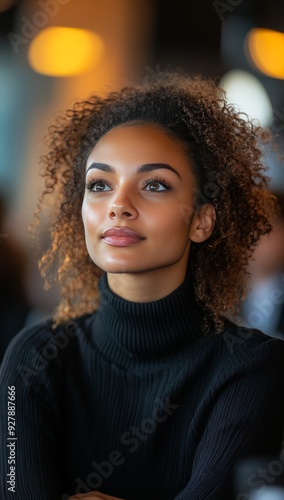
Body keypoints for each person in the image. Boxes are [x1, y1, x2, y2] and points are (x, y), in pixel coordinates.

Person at [0, 72, 284, 500]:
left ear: (201, 220)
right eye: (100, 185)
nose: (118, 205)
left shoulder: (251, 369)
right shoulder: (34, 358)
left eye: (154, 185)